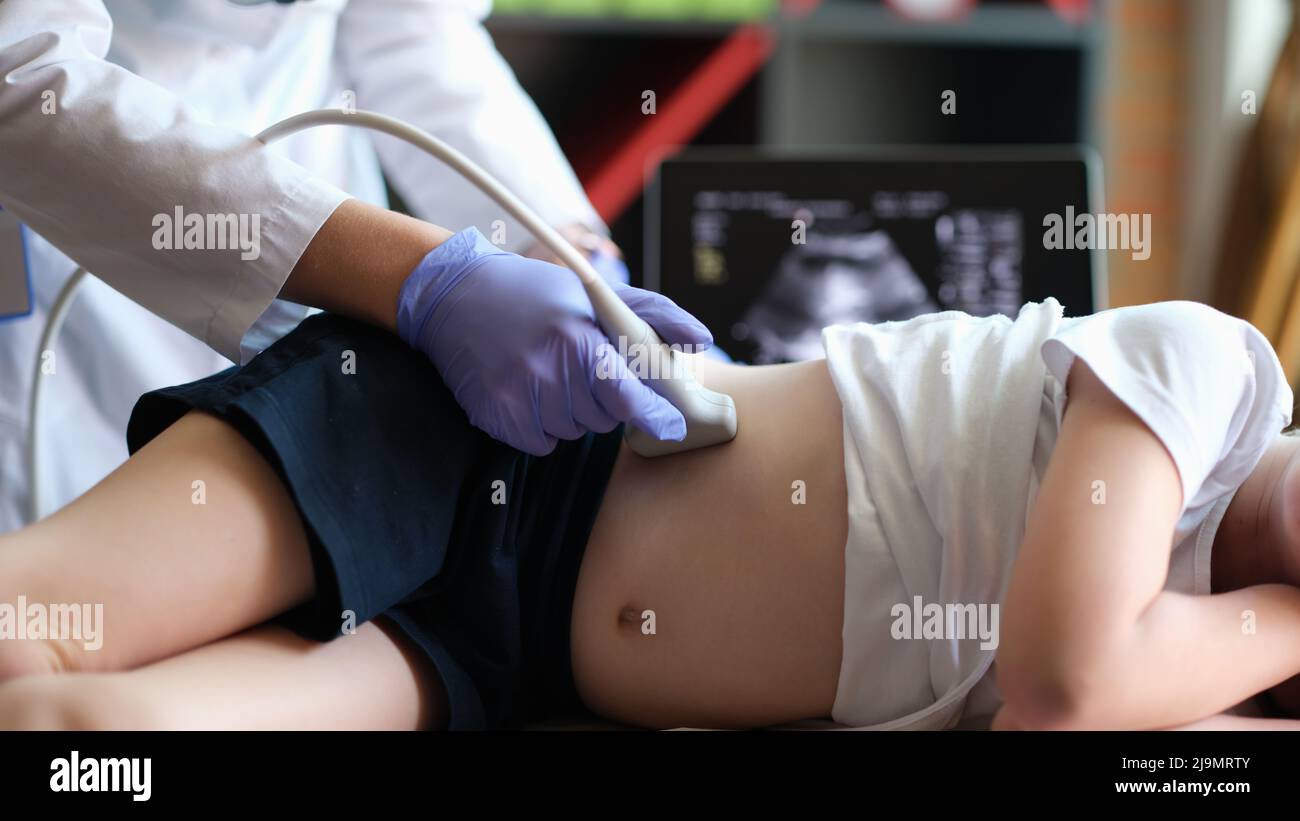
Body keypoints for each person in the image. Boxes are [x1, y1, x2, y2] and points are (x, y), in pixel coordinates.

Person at [0, 281, 1299, 731]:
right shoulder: (1219, 379)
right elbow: (1061, 672)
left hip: (491, 660)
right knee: (26, 628)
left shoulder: (1204, 665)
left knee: (78, 740)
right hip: (482, 445)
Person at [0, 0, 701, 532]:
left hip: (307, 159)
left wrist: (557, 241)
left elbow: (407, 22)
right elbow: (21, 74)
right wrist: (418, 278)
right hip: (75, 215)